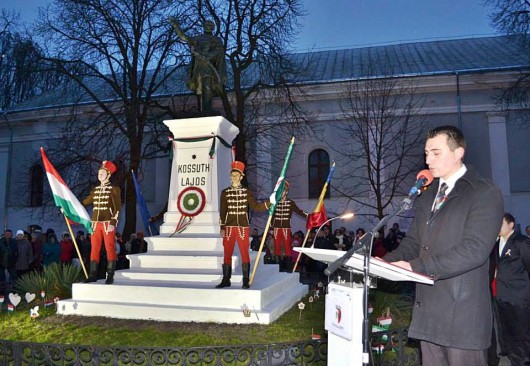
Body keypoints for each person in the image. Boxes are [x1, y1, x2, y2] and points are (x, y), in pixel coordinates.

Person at [383, 125, 504, 365]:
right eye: (426, 153)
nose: (428, 160)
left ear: (458, 152)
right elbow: (413, 242)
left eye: (436, 153)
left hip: (462, 318)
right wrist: (382, 263)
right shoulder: (428, 195)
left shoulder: (483, 192)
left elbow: (474, 250)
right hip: (429, 313)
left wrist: (415, 266)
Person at [216, 161, 268, 289]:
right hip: (229, 227)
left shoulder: (246, 192)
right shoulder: (225, 192)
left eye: (237, 175)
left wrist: (268, 203)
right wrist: (222, 227)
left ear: (241, 177)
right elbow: (223, 211)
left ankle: (245, 280)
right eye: (232, 175)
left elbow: (255, 206)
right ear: (230, 176)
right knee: (227, 253)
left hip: (242, 227)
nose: (234, 177)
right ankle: (226, 279)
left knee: (244, 252)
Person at [494, 212, 530, 365]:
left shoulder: (522, 242)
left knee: (522, 334)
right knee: (509, 333)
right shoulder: (496, 244)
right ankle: (515, 360)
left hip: (519, 297)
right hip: (503, 296)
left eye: (501, 222)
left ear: (511, 224)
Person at [169, 17, 227, 112]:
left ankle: (207, 109)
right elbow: (184, 37)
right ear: (204, 27)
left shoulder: (217, 39)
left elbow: (219, 50)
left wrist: (208, 56)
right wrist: (176, 26)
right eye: (207, 25)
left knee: (207, 85)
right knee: (199, 86)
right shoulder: (198, 38)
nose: (208, 27)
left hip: (210, 65)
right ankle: (204, 109)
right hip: (199, 65)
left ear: (213, 28)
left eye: (210, 25)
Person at [82, 160, 122, 284]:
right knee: (94, 248)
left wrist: (113, 222)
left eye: (103, 173)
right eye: (99, 173)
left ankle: (110, 275)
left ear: (108, 175)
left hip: (107, 223)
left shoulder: (114, 189)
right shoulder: (96, 190)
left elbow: (117, 207)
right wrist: (69, 204)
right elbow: (85, 202)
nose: (100, 175)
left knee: (109, 247)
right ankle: (92, 274)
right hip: (95, 223)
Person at [270, 182, 307, 272]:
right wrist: (271, 227)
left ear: (286, 192)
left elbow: (299, 211)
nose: (282, 193)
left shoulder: (290, 203)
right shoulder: (275, 203)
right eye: (280, 191)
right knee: (277, 247)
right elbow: (272, 215)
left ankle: (289, 269)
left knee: (287, 248)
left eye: (283, 191)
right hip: (276, 228)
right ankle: (277, 268)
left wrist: (309, 216)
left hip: (286, 228)